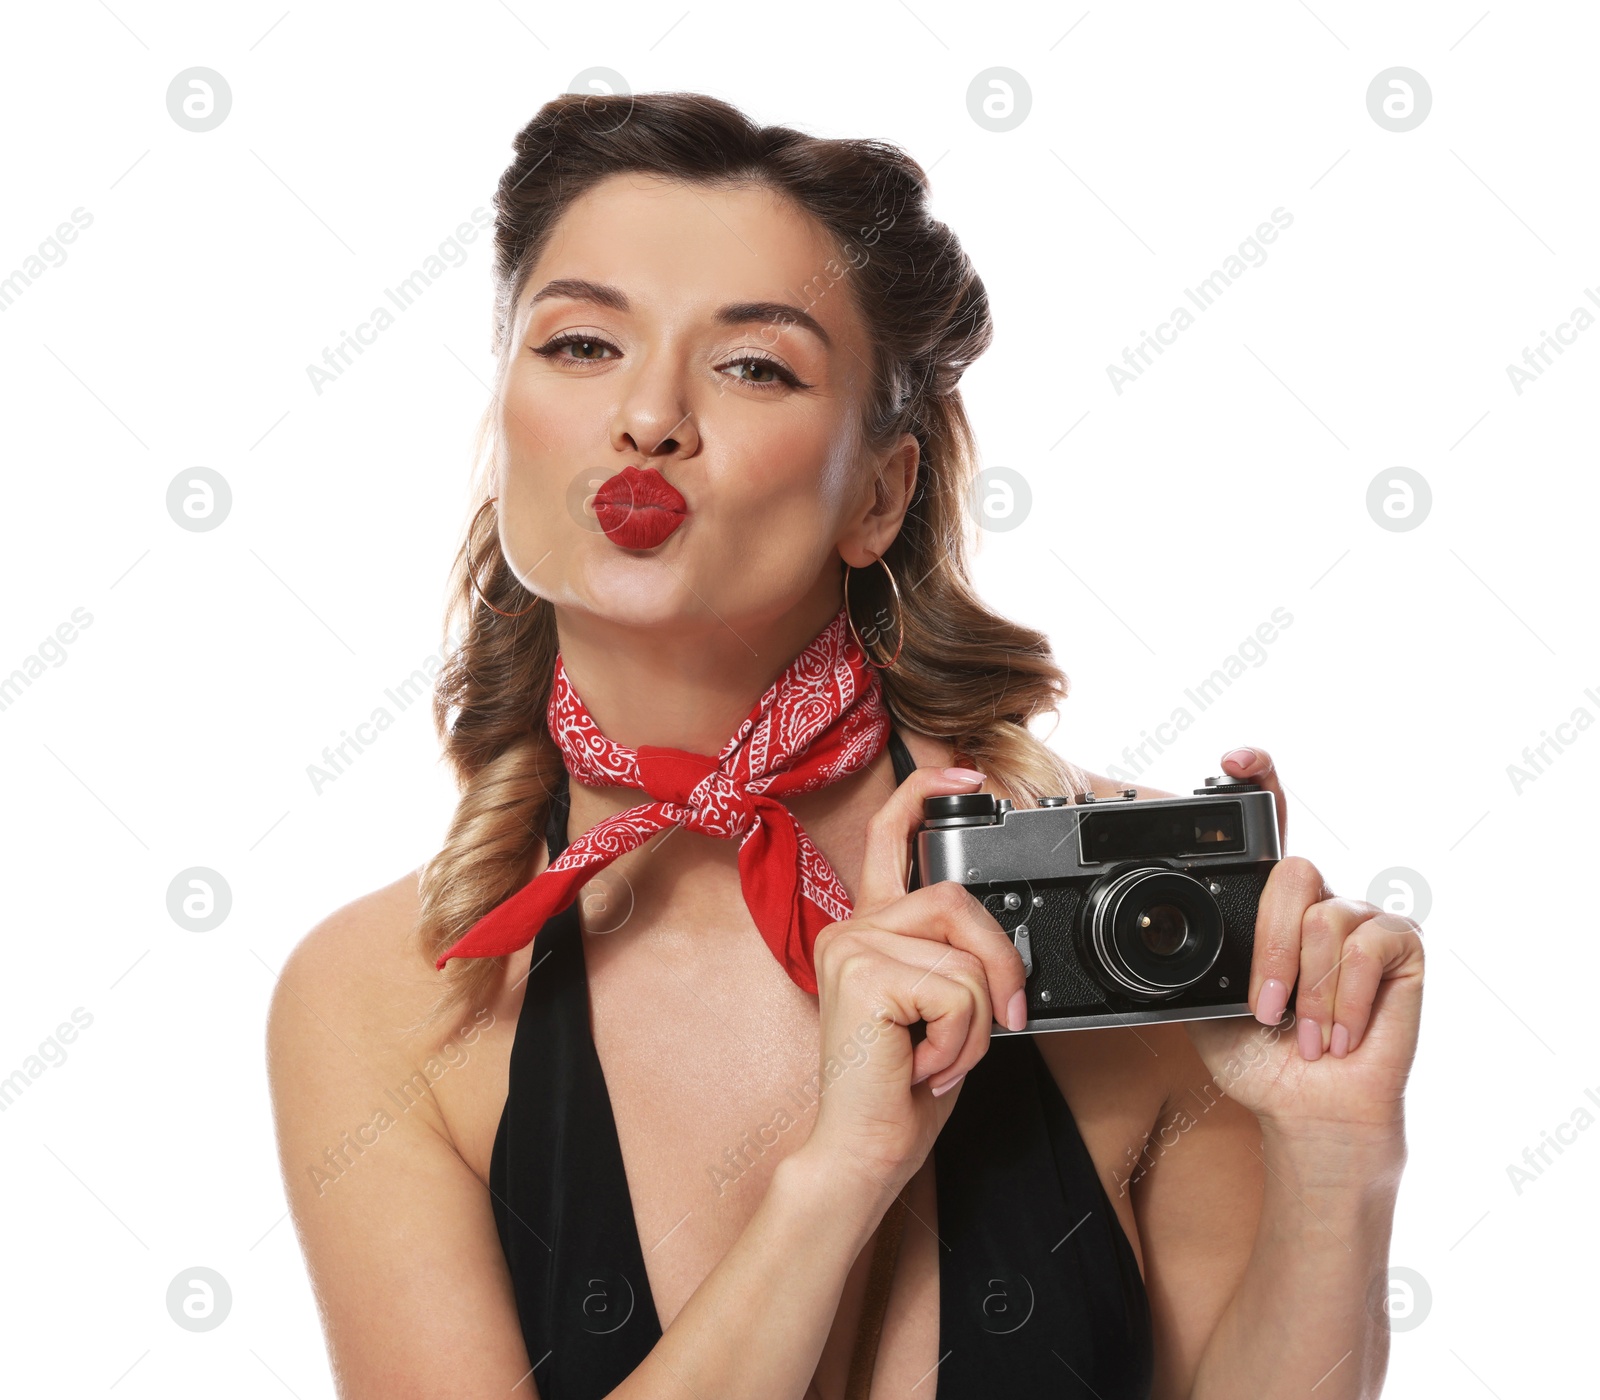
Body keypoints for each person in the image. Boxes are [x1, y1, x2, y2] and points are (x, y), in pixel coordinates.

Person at [266, 92, 1424, 1400]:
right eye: (582, 343)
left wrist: (1340, 1170)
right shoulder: (385, 998)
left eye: (753, 365)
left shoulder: (1123, 922)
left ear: (880, 492)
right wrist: (844, 1175)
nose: (650, 417)